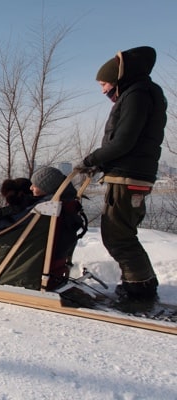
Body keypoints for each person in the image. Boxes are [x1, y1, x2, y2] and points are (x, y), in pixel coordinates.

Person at [78, 46, 167, 301]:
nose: (103, 90)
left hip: (127, 176)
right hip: (134, 173)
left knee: (117, 234)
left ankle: (139, 287)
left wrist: (92, 159)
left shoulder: (137, 95)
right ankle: (142, 282)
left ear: (118, 79)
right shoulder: (146, 93)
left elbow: (123, 141)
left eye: (104, 84)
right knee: (123, 232)